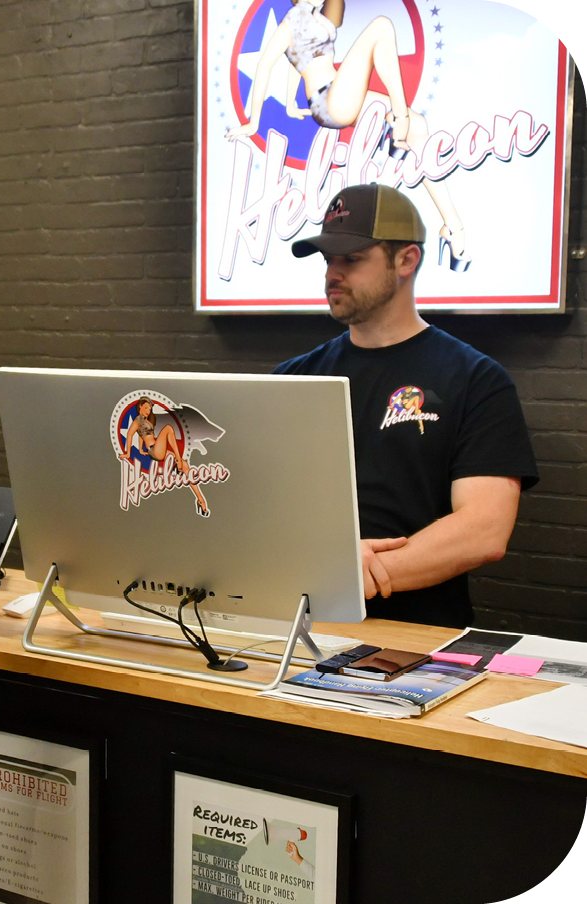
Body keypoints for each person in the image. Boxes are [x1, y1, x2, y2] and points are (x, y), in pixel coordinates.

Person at [275, 182, 538, 627]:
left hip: (418, 639)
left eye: (351, 259)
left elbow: (484, 529)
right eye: (328, 260)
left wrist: (345, 574)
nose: (332, 275)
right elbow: (257, 505)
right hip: (293, 628)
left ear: (406, 260)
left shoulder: (476, 379)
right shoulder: (292, 379)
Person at [226, 0, 472, 270]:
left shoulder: (314, 17)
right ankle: (398, 121)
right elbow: (264, 65)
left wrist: (289, 103)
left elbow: (298, 57)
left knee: (420, 127)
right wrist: (253, 124)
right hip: (329, 100)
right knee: (381, 27)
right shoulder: (292, 19)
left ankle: (453, 228)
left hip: (339, 94)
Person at [120, 398, 210, 516]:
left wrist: (141, 449)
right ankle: (177, 458)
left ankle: (200, 499)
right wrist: (128, 453)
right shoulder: (137, 420)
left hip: (157, 449)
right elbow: (130, 434)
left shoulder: (145, 421)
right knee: (168, 429)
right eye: (146, 408)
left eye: (150, 408)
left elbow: (141, 435)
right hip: (154, 450)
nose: (148, 410)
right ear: (140, 407)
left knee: (185, 466)